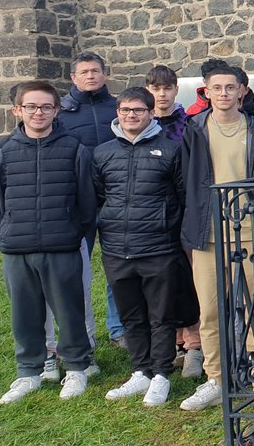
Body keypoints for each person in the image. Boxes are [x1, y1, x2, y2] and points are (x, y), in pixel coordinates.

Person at [0, 81, 96, 403]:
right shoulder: (3, 152)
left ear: (56, 111)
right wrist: (10, 231)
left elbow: (87, 204)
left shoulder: (74, 149)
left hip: (62, 245)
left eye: (46, 107)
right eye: (31, 106)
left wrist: (71, 231)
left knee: (70, 310)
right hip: (18, 248)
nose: (39, 112)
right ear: (17, 110)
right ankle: (28, 372)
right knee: (24, 314)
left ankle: (77, 368)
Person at [178, 64, 254, 411]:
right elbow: (185, 180)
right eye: (216, 88)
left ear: (242, 92)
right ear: (204, 92)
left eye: (229, 87)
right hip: (207, 231)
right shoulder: (193, 128)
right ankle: (215, 377)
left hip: (249, 229)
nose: (223, 93)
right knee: (210, 308)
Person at [93, 88, 194, 407]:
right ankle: (140, 372)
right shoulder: (102, 152)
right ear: (117, 113)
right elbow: (98, 196)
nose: (131, 115)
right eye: (125, 110)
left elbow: (183, 196)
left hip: (159, 247)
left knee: (161, 315)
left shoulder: (171, 150)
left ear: (151, 113)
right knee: (130, 315)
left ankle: (161, 374)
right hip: (117, 248)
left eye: (138, 110)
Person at [56, 52, 120, 368]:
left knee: (118, 267)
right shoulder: (62, 115)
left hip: (115, 198)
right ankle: (82, 335)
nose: (91, 76)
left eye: (96, 70)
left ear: (105, 74)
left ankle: (119, 327)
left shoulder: (118, 109)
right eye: (84, 72)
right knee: (76, 271)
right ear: (74, 78)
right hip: (77, 201)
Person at [146, 64, 204, 379]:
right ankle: (174, 342)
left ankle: (194, 343)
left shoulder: (189, 124)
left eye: (167, 88)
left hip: (185, 209)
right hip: (153, 215)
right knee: (161, 282)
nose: (162, 94)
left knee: (190, 280)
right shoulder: (141, 123)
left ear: (175, 89)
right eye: (156, 89)